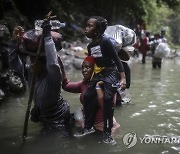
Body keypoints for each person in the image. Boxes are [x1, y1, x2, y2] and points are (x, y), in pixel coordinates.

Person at [74, 16, 126, 144]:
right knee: (87, 96)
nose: (86, 28)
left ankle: (107, 133)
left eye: (90, 26)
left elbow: (117, 59)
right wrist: (87, 74)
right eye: (86, 25)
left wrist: (123, 77)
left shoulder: (106, 41)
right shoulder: (90, 45)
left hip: (111, 72)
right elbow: (92, 62)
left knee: (108, 99)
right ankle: (88, 127)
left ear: (98, 30)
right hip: (100, 73)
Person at [21, 21, 71, 131]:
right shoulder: (31, 72)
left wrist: (48, 37)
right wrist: (14, 42)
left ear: (44, 63)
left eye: (35, 62)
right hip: (43, 114)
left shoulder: (53, 77)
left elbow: (53, 64)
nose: (31, 64)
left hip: (57, 117)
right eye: (31, 61)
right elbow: (16, 65)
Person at [59, 56, 120, 133]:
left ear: (96, 68)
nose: (84, 70)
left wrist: (98, 87)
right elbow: (66, 86)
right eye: (82, 67)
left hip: (102, 127)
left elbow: (109, 106)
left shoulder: (106, 83)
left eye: (88, 67)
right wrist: (62, 69)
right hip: (87, 125)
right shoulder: (84, 84)